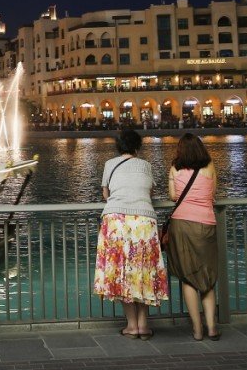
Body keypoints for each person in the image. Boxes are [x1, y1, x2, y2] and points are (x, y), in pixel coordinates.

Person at [93, 129, 168, 339]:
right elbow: (150, 193)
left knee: (122, 271)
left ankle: (131, 326)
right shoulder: (146, 165)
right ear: (137, 147)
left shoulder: (110, 164)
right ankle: (143, 326)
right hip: (144, 221)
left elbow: (106, 193)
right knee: (144, 271)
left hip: (116, 221)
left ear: (118, 147)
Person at [165, 133, 220, 341]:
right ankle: (212, 327)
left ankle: (197, 330)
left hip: (181, 224)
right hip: (206, 222)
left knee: (188, 277)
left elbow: (173, 196)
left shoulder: (175, 168)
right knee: (207, 276)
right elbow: (213, 192)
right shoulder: (209, 166)